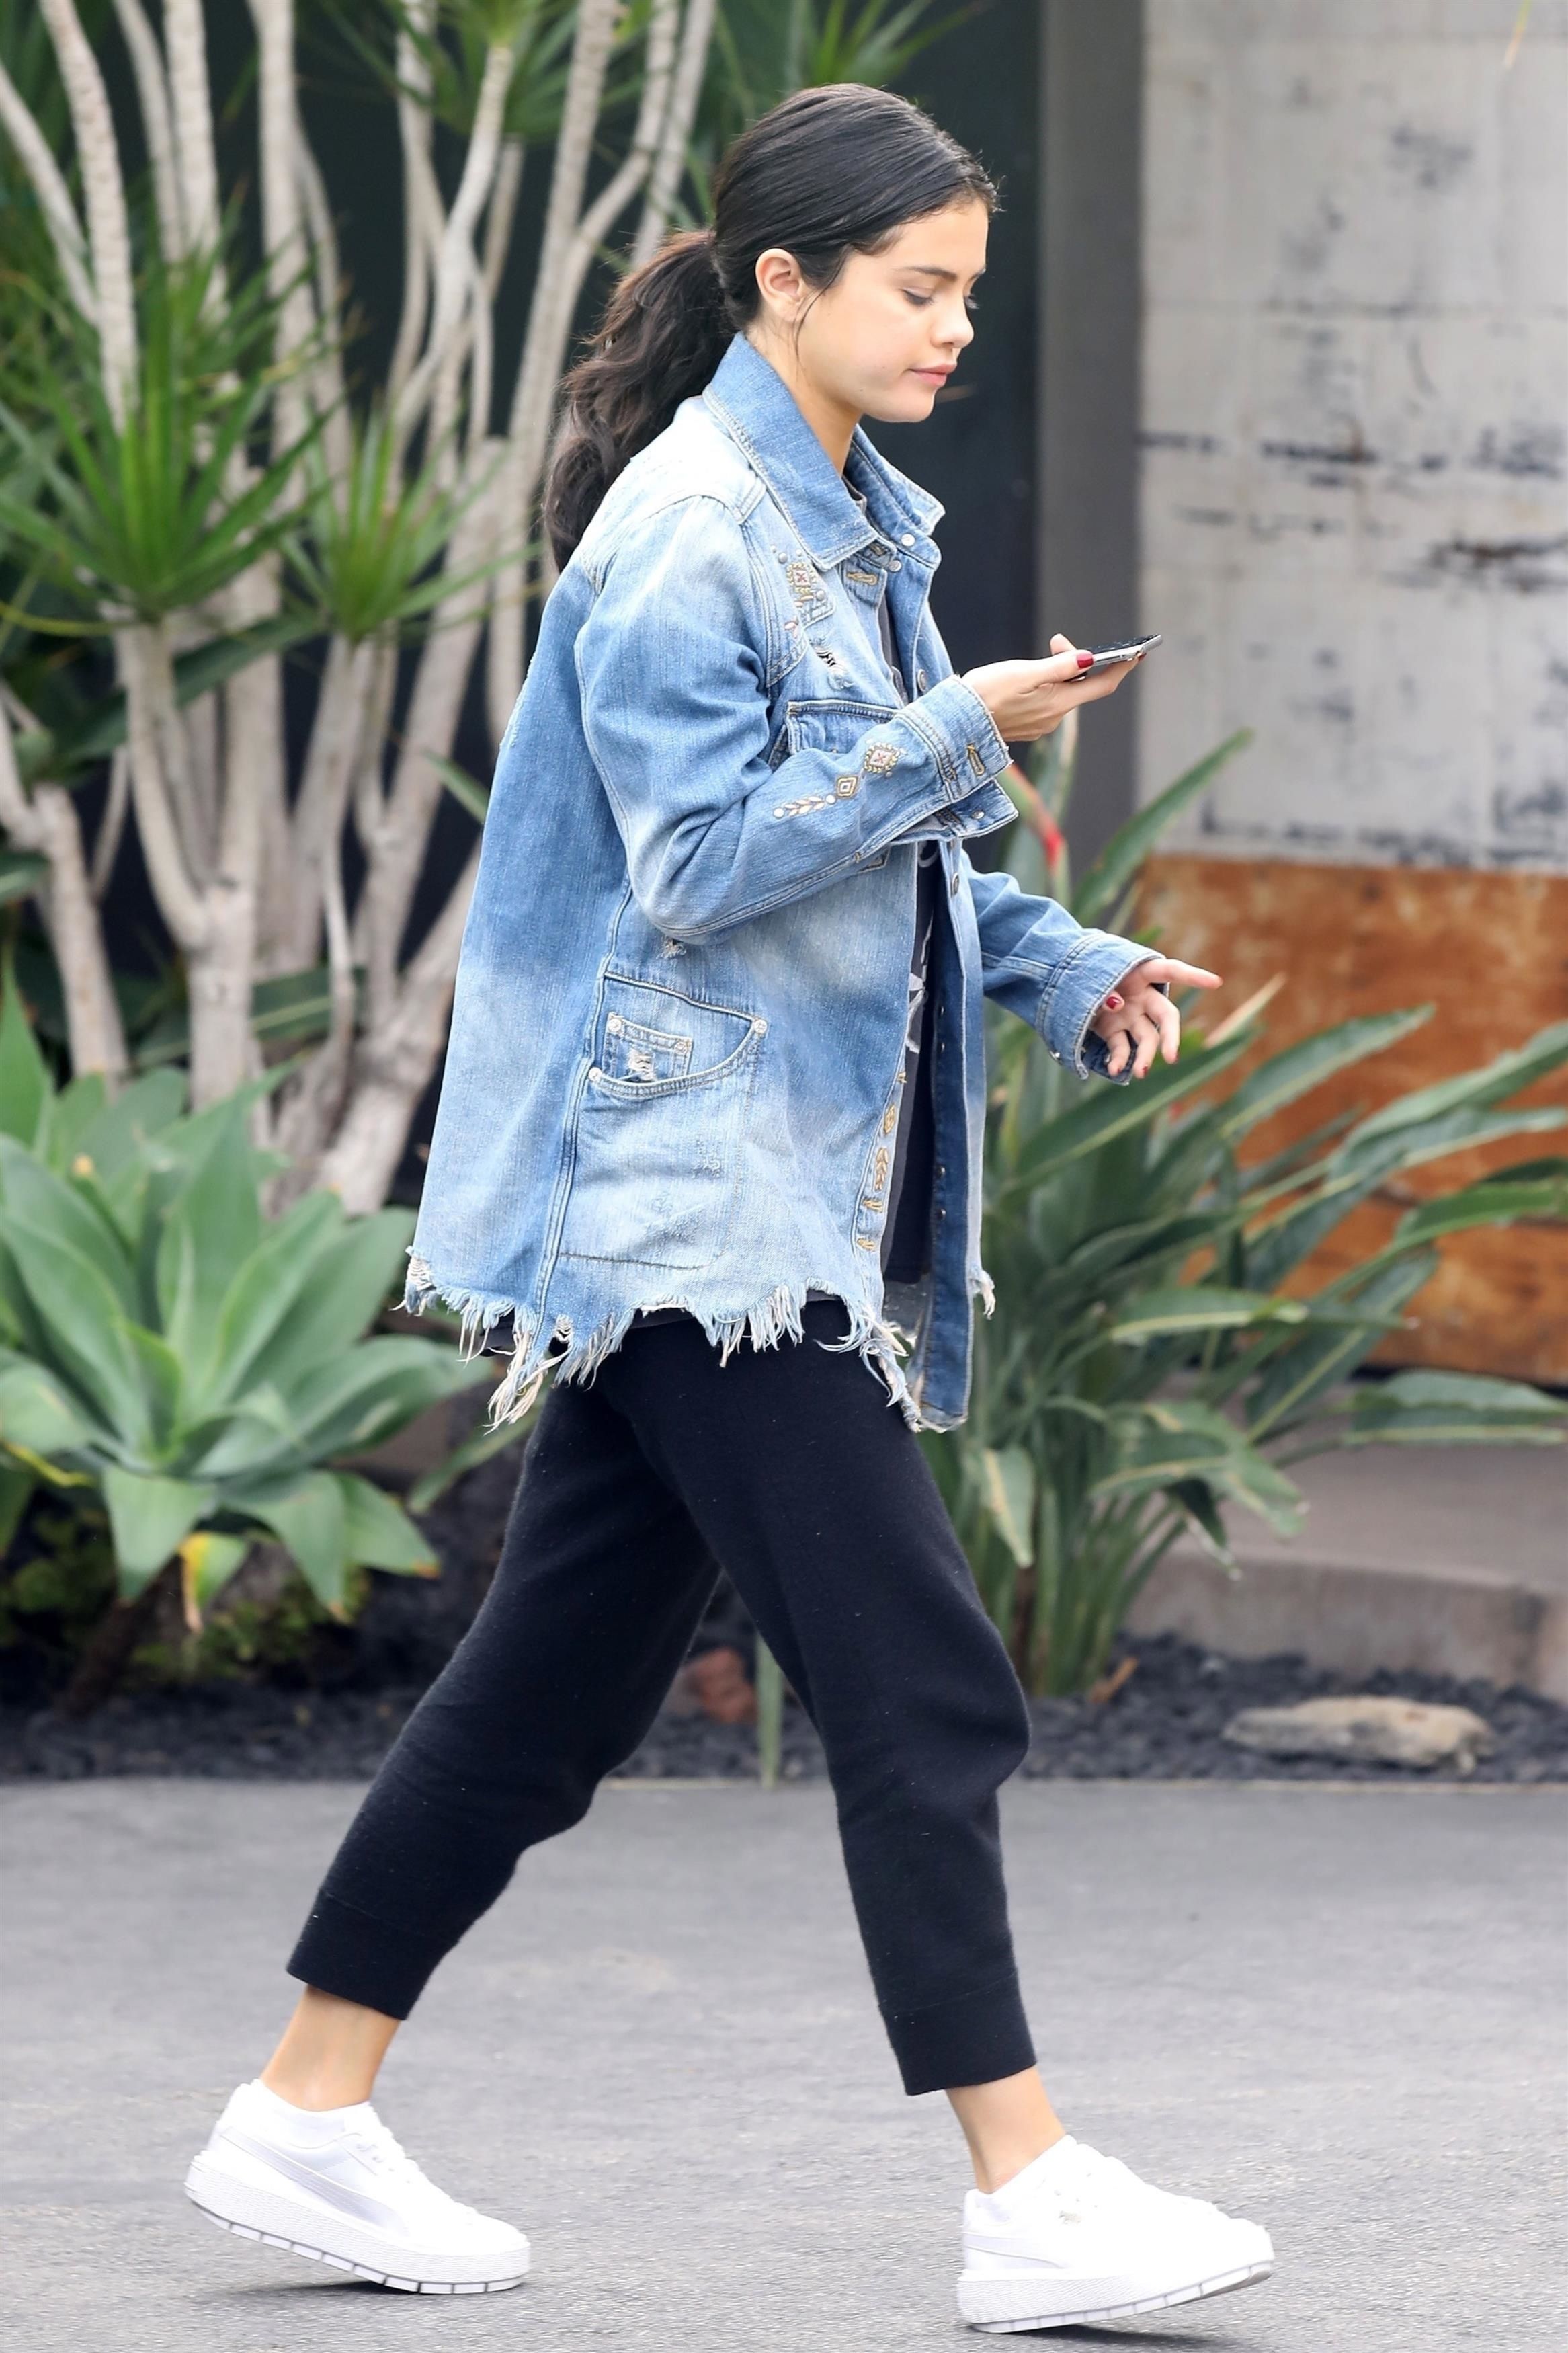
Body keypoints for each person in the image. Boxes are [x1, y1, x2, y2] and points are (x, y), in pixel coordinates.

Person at [183, 83, 1274, 2333]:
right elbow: (699, 868)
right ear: (786, 281)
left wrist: (1065, 971)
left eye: (970, 291)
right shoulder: (692, 531)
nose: (956, 328)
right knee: (922, 1682)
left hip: (738, 1185)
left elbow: (867, 864)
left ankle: (305, 2101)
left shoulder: (851, 506)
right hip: (692, 1209)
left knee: (540, 1700)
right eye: (920, 288)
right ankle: (1026, 2184)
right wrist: (960, 722)